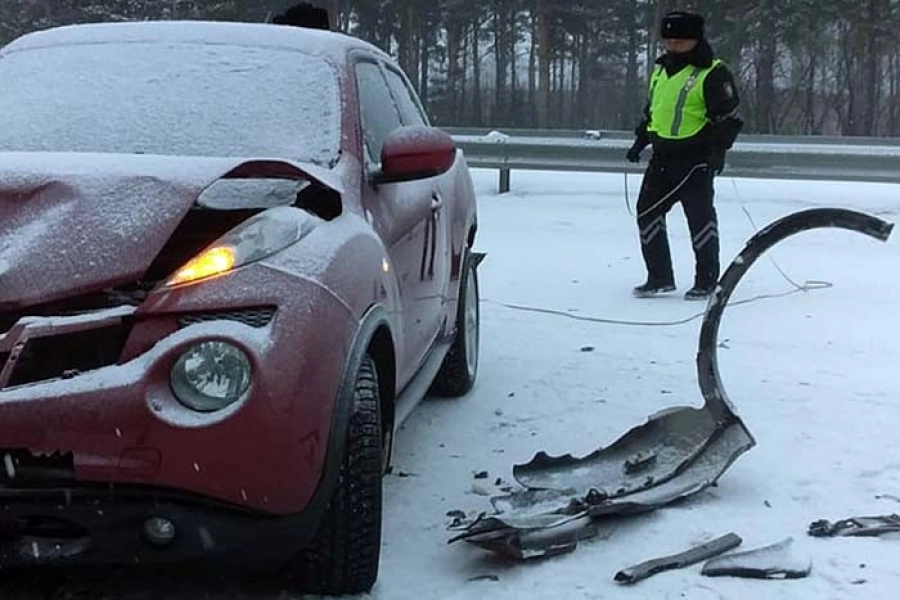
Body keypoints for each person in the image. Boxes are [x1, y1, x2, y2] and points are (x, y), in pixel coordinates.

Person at [626, 10, 742, 300]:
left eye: (680, 40)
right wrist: (641, 141)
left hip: (695, 157)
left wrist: (717, 152)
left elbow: (727, 118)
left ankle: (706, 280)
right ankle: (659, 277)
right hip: (663, 155)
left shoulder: (712, 72)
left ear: (695, 39)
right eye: (669, 40)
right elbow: (654, 110)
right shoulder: (660, 69)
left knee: (699, 219)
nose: (673, 45)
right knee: (647, 213)